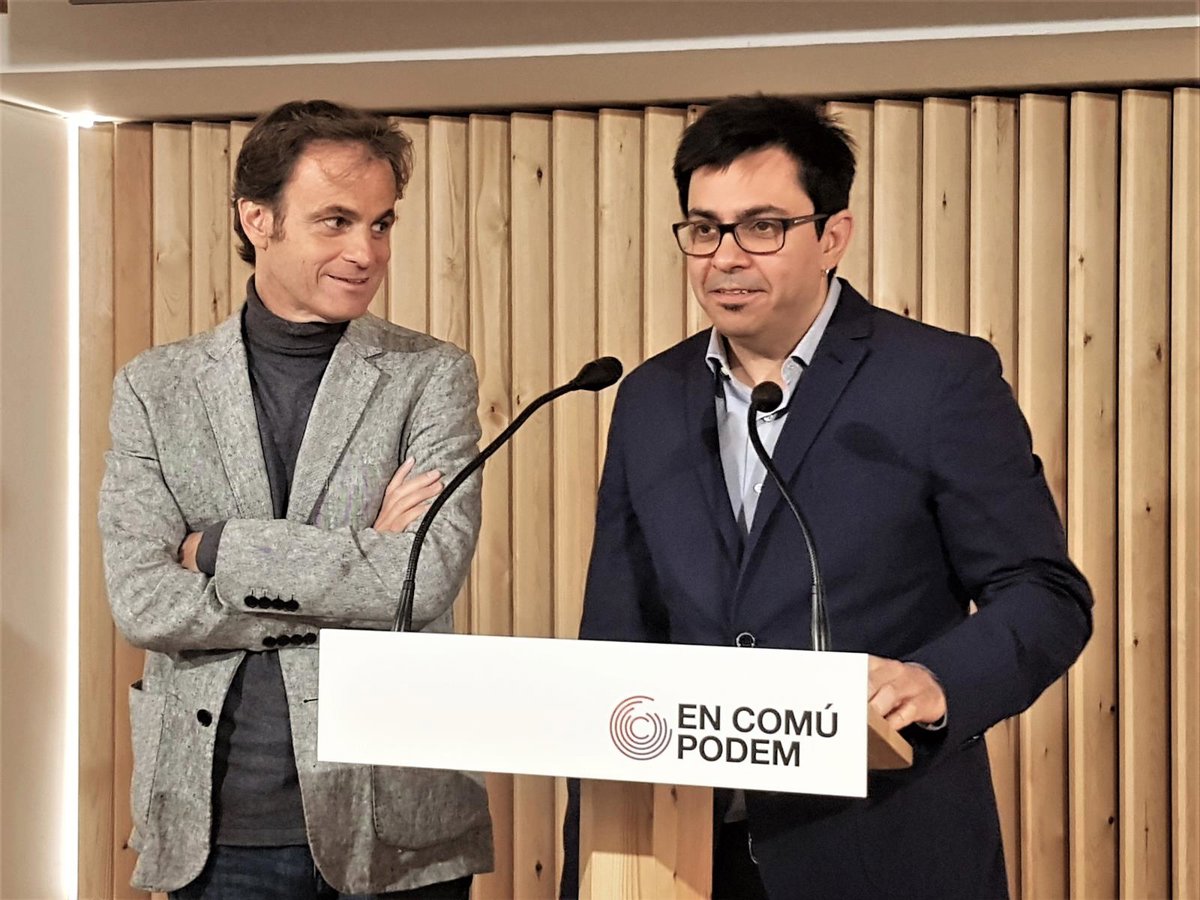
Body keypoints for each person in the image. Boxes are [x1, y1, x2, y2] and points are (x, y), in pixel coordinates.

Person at [566, 95, 1092, 899]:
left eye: (762, 227)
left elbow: (1045, 592)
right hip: (680, 853)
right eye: (704, 229)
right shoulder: (648, 398)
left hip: (879, 848)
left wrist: (937, 680)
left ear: (833, 236)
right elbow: (618, 635)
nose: (725, 258)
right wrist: (588, 864)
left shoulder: (936, 381)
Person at [100, 100, 492, 899]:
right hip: (217, 824)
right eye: (336, 221)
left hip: (397, 815)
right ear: (258, 220)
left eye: (381, 224)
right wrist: (357, 569)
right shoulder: (155, 386)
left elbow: (421, 581)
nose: (365, 251)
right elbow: (143, 601)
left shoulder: (432, 375)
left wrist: (219, 550)